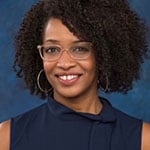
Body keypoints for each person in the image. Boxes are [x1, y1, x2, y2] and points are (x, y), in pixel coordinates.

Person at [0, 0, 150, 149]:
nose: (65, 64)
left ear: (104, 55)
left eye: (80, 49)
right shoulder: (6, 137)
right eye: (52, 50)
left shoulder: (143, 140)